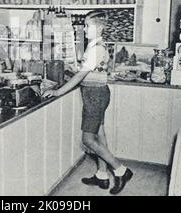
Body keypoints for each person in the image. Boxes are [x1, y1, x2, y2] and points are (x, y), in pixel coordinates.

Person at [42, 13, 133, 195]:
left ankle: (121, 170)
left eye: (87, 26)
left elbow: (81, 76)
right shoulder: (95, 46)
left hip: (95, 95)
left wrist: (58, 91)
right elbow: (87, 70)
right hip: (96, 93)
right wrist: (73, 69)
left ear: (99, 28)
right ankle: (101, 175)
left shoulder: (95, 49)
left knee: (88, 139)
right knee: (100, 135)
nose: (84, 29)